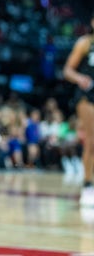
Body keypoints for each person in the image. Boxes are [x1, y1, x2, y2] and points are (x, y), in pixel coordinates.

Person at [63, 13, 94, 207]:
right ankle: (88, 185)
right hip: (87, 96)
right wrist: (79, 79)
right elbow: (67, 70)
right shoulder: (85, 43)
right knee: (92, 139)